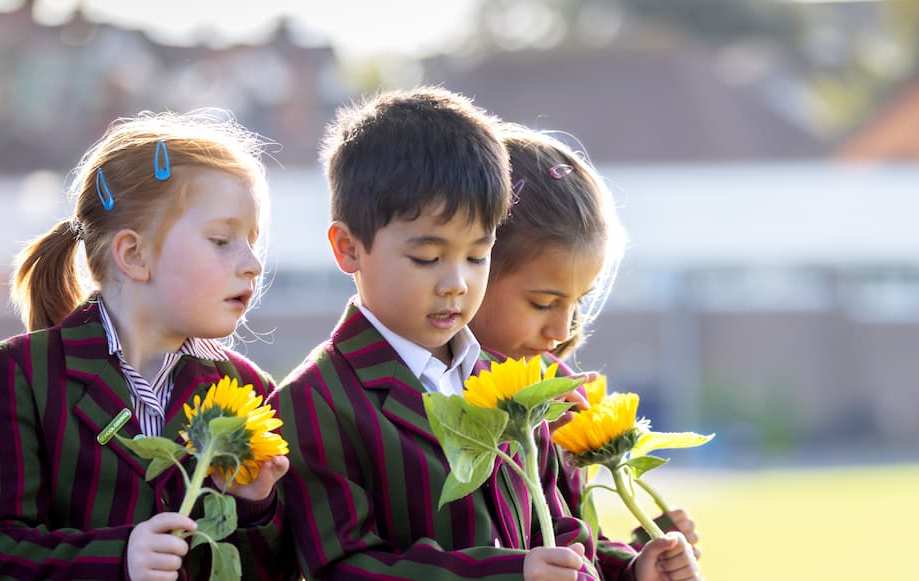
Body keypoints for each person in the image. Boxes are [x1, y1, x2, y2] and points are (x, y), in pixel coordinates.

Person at [274, 87, 608, 580]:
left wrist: (625, 567)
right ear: (348, 249)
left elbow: (554, 527)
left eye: (477, 256)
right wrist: (508, 574)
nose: (456, 283)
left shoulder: (509, 381)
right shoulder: (314, 402)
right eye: (427, 257)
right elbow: (342, 566)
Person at [0, 111, 293, 581]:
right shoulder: (22, 372)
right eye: (222, 240)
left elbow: (271, 569)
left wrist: (253, 504)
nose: (253, 263)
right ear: (134, 255)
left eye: (253, 241)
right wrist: (117, 558)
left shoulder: (248, 389)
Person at [470, 125, 701, 580]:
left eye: (577, 303)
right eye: (542, 303)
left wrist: (635, 565)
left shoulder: (559, 395)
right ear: (473, 264)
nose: (560, 330)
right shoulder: (426, 390)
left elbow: (566, 537)